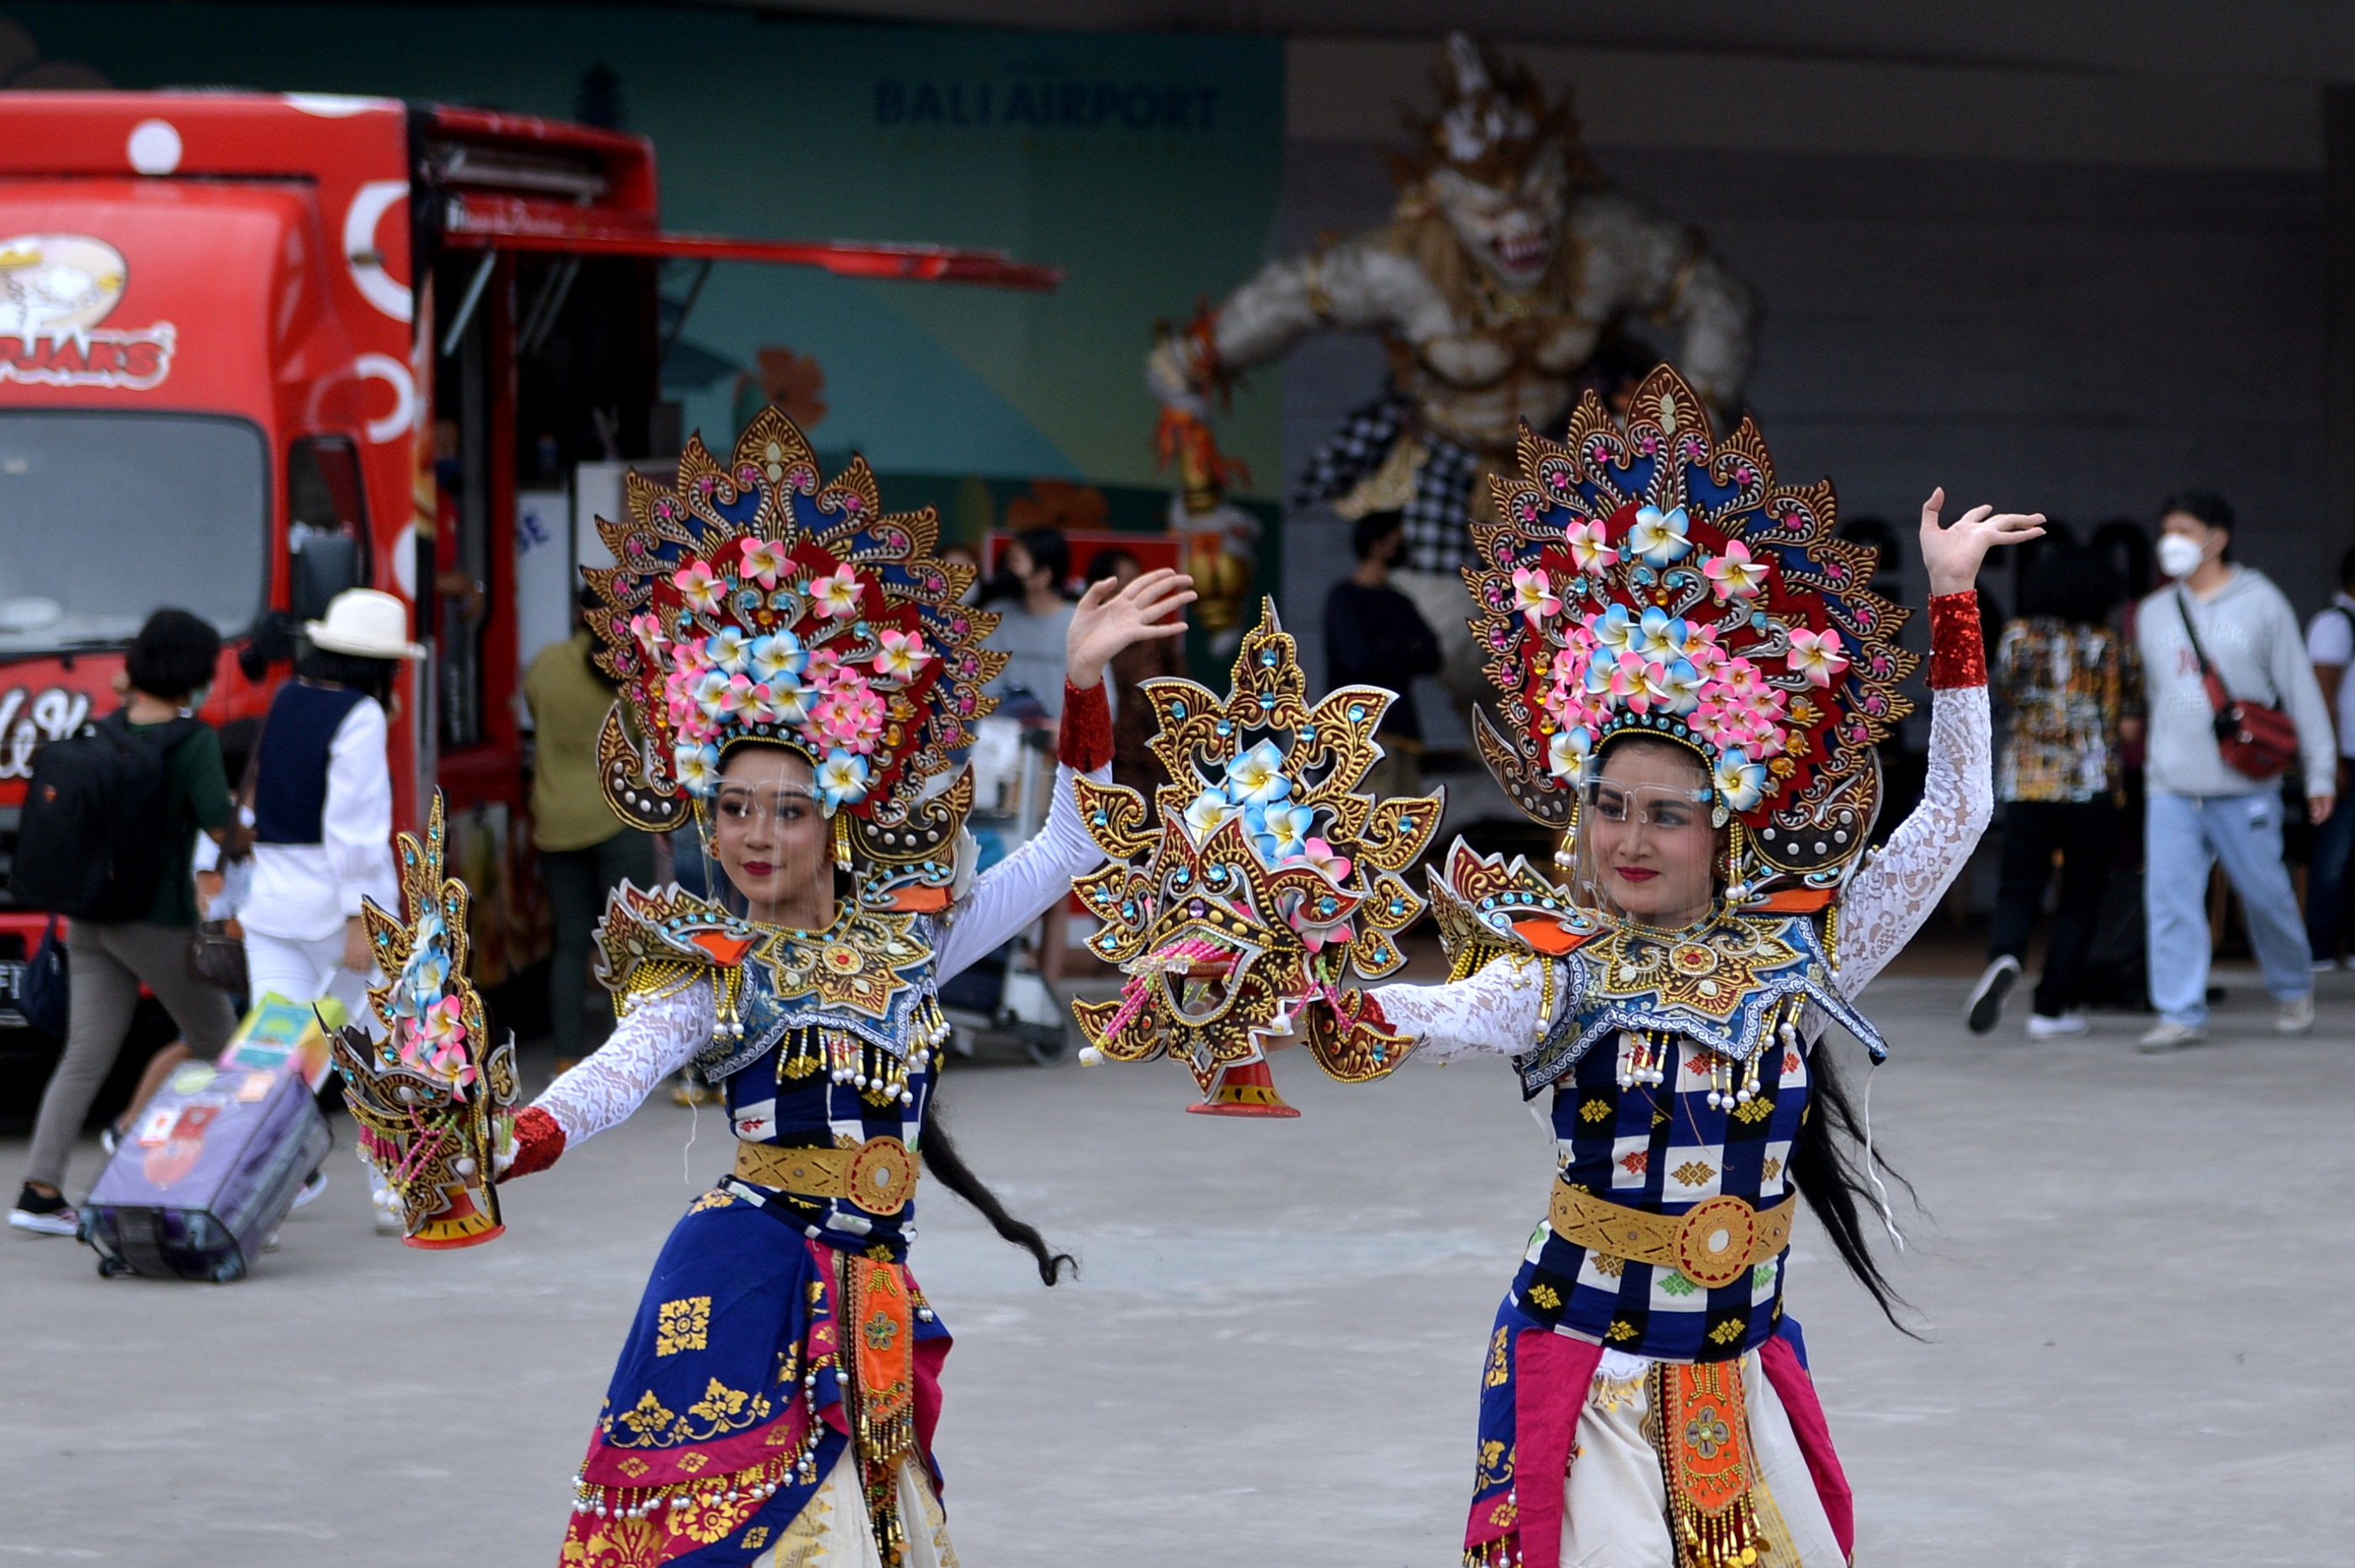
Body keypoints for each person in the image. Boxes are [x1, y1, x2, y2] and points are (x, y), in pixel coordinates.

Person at [1307, 377, 2030, 1567]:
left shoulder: (1799, 957)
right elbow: (1434, 1012)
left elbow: (1955, 810)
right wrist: (1312, 994)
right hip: (1587, 1387)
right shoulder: (1557, 972)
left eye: (1665, 815)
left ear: (1726, 825)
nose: (1628, 840)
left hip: (1736, 1383)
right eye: (1608, 807)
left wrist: (1950, 601)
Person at [485, 415, 1195, 1565]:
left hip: (872, 1292)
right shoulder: (710, 968)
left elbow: (1072, 846)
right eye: (732, 808)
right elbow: (615, 1075)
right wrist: (514, 1137)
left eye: (788, 808)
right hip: (746, 1282)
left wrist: (1081, 683)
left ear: (839, 818)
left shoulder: (913, 942)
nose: (755, 834)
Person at [11, 610, 238, 1236]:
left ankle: (39, 1192)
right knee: (222, 1043)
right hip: (155, 920)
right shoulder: (192, 742)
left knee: (84, 1056)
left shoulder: (104, 730)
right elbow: (219, 826)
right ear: (194, 672)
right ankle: (236, 1175)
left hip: (90, 917)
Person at [239, 588, 417, 1228]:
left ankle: (247, 1201)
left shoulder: (287, 697)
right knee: (375, 1056)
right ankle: (394, 1193)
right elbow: (355, 828)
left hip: (272, 907)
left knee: (273, 1062)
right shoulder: (360, 715)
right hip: (336, 915)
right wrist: (360, 917)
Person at [2134, 490, 2335, 1049]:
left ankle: (2292, 986)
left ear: (2216, 538)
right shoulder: (2153, 612)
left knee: (2266, 896)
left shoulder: (2262, 602)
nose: (2170, 541)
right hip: (2171, 785)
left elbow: (2299, 688)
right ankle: (2179, 1011)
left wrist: (2319, 771)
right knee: (2170, 903)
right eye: (2166, 529)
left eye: (2183, 529)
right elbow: (2152, 697)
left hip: (2244, 785)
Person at [1965, 543, 2143, 1036]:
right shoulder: (2115, 647)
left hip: (2028, 783)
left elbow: (2002, 701)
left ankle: (2005, 956)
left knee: (2019, 887)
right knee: (2081, 897)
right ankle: (2051, 1008)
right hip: (2093, 788)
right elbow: (2130, 729)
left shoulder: (2017, 638)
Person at [526, 586, 657, 1062]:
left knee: (570, 942)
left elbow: (535, 712)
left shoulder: (545, 664)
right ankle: (629, 1058)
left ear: (578, 612)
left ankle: (567, 1058)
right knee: (630, 941)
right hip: (620, 817)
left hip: (556, 822)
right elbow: (645, 732)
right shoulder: (629, 670)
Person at [1323, 510, 1445, 798]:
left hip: (1403, 730)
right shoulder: (1345, 599)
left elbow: (1432, 656)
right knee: (1368, 815)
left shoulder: (1400, 602)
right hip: (1359, 731)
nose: (1402, 546)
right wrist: (1404, 649)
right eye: (1396, 539)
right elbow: (1356, 659)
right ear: (1376, 544)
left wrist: (1384, 649)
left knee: (1409, 817)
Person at [1084, 547, 1188, 813]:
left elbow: (1185, 698)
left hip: (1155, 767)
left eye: (1139, 584)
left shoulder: (1156, 638)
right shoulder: (1084, 639)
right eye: (1126, 586)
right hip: (1100, 768)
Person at [2302, 544, 2355, 967]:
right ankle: (2320, 949)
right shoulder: (2335, 622)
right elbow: (2321, 694)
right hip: (2345, 756)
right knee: (2332, 857)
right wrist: (2330, 760)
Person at [979, 527, 1074, 718]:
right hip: (1003, 732)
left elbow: (1103, 701)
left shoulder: (1077, 622)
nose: (1007, 571)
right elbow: (983, 687)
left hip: (1061, 733)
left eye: (1015, 562)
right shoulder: (996, 616)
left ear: (1044, 575)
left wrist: (1063, 729)